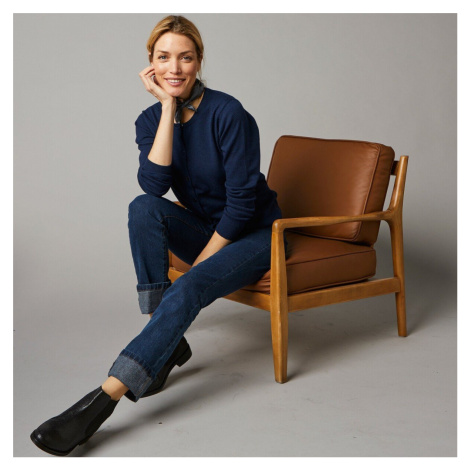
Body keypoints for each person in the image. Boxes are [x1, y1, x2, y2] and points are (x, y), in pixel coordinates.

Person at [30, 15, 287, 456]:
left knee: (188, 285)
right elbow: (152, 187)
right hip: (207, 226)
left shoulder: (229, 113)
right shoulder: (150, 118)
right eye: (164, 57)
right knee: (142, 208)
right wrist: (168, 109)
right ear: (150, 62)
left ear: (199, 60)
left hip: (258, 234)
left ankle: (101, 402)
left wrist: (200, 266)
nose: (175, 68)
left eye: (185, 58)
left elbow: (243, 205)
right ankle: (164, 342)